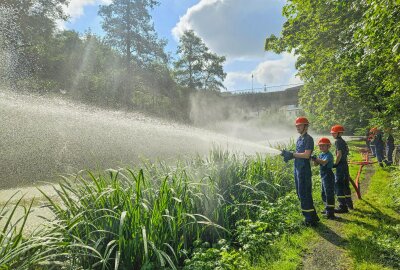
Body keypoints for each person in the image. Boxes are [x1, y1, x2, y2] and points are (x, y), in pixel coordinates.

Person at [281, 117, 319, 226]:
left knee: (304, 194)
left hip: (304, 170)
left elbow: (306, 155)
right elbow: (299, 154)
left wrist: (292, 154)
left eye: (300, 125)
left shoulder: (308, 139)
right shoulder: (299, 139)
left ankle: (309, 220)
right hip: (297, 169)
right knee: (300, 193)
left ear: (306, 126)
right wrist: (288, 155)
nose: (297, 127)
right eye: (296, 125)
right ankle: (312, 217)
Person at [311, 137, 336, 219]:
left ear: (328, 146)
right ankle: (327, 209)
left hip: (328, 175)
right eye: (320, 146)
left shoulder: (329, 155)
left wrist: (316, 159)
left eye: (323, 146)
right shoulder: (321, 154)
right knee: (323, 193)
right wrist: (314, 159)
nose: (321, 147)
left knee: (329, 193)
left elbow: (324, 162)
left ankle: (331, 213)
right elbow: (315, 165)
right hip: (323, 176)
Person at [331, 124, 353, 212]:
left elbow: (339, 154)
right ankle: (349, 204)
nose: (332, 134)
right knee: (345, 184)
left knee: (338, 185)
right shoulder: (342, 141)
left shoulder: (338, 141)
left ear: (339, 133)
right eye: (332, 133)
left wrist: (335, 164)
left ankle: (342, 206)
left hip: (341, 166)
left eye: (334, 133)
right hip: (345, 165)